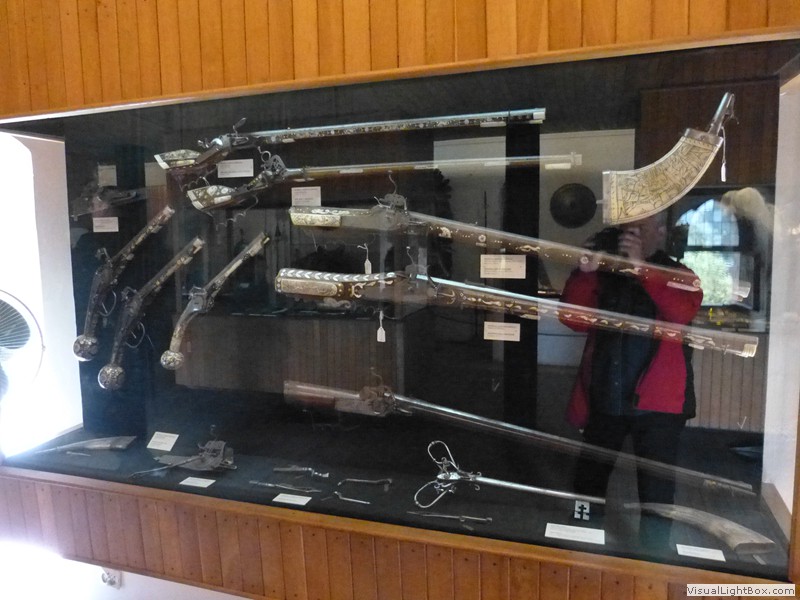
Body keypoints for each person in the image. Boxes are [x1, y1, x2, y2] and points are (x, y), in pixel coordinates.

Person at [559, 213, 703, 546]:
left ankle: (654, 554)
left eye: (639, 230)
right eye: (626, 230)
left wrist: (641, 267)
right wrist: (586, 272)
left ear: (661, 233)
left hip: (659, 405)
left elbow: (681, 313)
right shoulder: (608, 273)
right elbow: (572, 318)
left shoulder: (680, 274)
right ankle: (581, 540)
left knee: (656, 489)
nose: (630, 237)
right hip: (606, 396)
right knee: (588, 480)